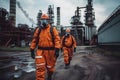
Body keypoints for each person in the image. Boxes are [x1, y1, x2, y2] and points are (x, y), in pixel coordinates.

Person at [30, 13, 61, 80]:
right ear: (40, 20)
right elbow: (34, 40)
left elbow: (57, 39)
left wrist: (57, 49)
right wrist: (32, 49)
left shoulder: (52, 29)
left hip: (51, 52)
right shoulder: (38, 30)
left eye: (45, 20)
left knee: (50, 68)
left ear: (48, 21)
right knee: (40, 68)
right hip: (40, 51)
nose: (44, 21)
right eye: (42, 20)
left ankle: (49, 75)